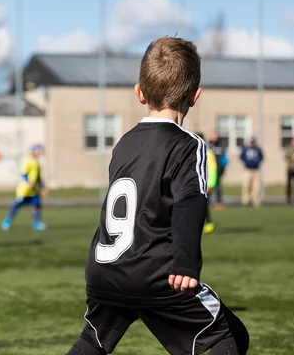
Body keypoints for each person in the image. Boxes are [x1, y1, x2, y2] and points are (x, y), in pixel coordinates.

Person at [66, 37, 249, 355]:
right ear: (195, 96)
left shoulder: (124, 143)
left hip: (104, 269)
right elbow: (190, 202)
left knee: (94, 340)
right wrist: (186, 263)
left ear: (139, 92)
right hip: (155, 273)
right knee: (229, 336)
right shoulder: (188, 145)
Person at [1, 144, 48, 231]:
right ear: (34, 151)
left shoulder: (37, 163)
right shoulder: (29, 161)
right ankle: (7, 221)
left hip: (33, 191)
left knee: (37, 205)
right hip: (24, 190)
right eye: (39, 150)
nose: (41, 152)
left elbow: (38, 177)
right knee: (16, 205)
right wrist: (28, 182)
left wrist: (43, 187)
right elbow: (23, 173)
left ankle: (36, 223)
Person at [198, 133, 218, 234]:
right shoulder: (190, 152)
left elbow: (212, 169)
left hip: (205, 185)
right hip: (193, 185)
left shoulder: (207, 152)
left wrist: (211, 184)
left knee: (204, 205)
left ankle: (209, 223)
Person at [240, 136, 264, 207]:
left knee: (256, 186)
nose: (252, 143)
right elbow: (241, 157)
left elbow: (261, 157)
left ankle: (255, 201)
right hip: (247, 170)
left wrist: (257, 162)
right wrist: (246, 163)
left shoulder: (258, 149)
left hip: (256, 170)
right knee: (246, 185)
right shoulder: (245, 149)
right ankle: (245, 201)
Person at [208, 130, 227, 209]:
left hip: (218, 170)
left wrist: (223, 168)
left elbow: (224, 158)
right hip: (210, 170)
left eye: (216, 135)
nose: (215, 137)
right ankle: (207, 201)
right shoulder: (209, 144)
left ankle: (218, 202)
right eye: (214, 135)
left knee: (218, 187)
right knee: (208, 187)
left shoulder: (221, 144)